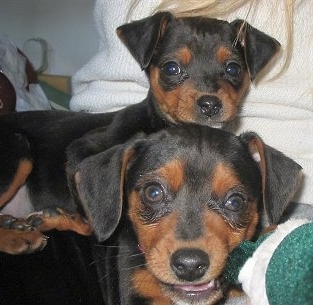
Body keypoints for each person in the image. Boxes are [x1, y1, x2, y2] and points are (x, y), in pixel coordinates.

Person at [70, 0, 313, 215]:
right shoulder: (130, 137)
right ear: (148, 66)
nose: (208, 96)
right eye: (173, 70)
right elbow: (79, 156)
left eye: (231, 70)